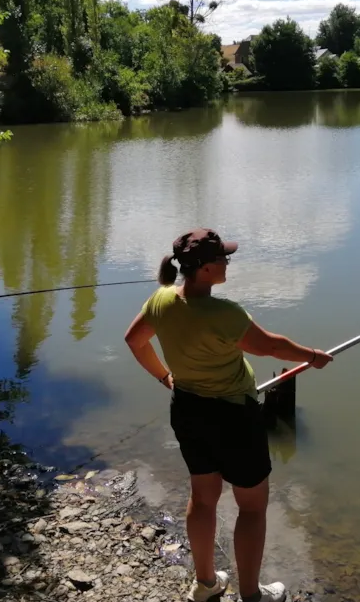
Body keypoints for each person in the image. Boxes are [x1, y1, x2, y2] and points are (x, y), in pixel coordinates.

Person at [124, 228, 333, 602]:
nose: (227, 263)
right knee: (251, 507)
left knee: (203, 498)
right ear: (205, 269)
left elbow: (134, 341)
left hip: (187, 409)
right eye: (223, 258)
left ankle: (205, 585)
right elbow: (269, 346)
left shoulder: (160, 300)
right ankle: (251, 595)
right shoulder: (223, 313)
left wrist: (165, 377)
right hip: (234, 417)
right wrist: (312, 356)